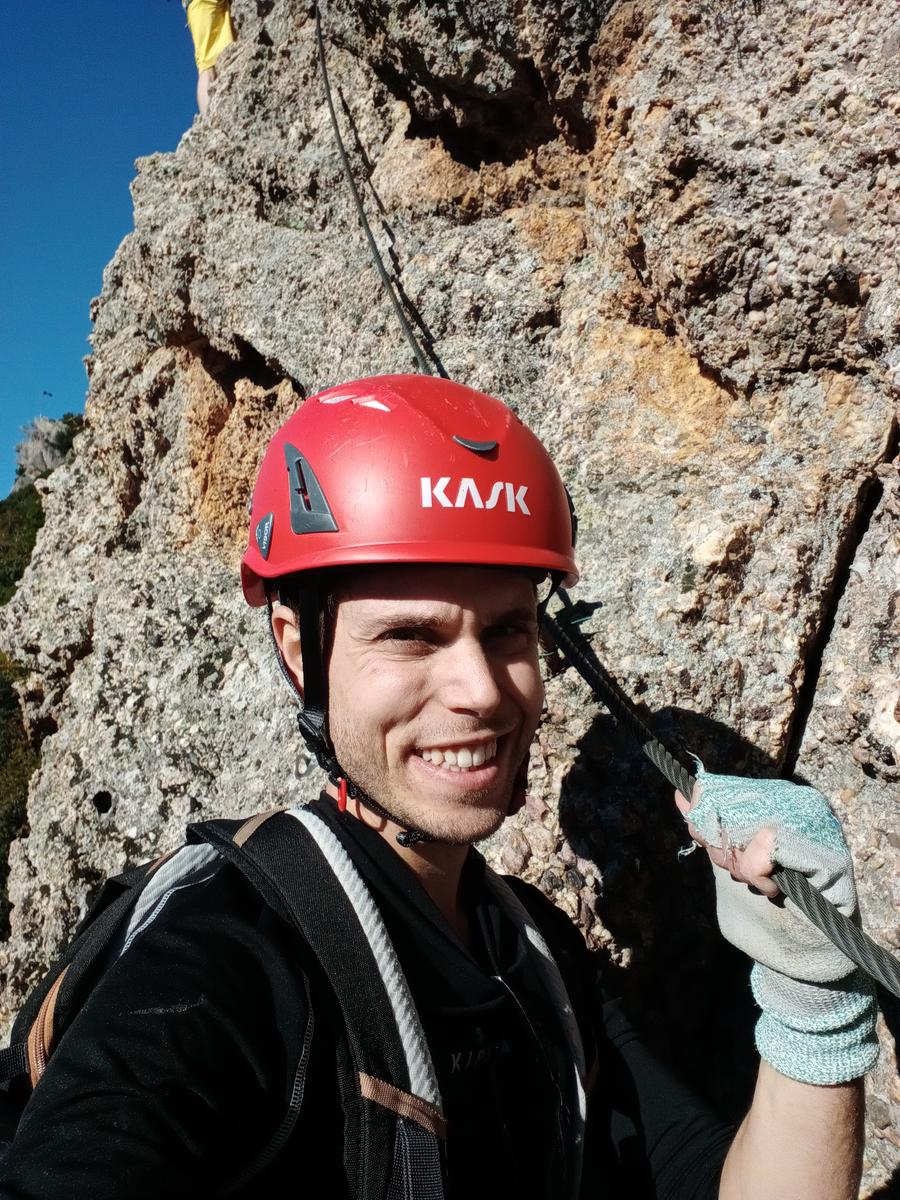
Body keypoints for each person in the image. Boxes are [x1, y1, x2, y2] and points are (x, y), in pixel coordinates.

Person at [0, 375, 878, 1198]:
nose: (485, 690)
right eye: (412, 637)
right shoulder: (222, 958)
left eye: (507, 630)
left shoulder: (537, 961)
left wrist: (814, 1004)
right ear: (298, 647)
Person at [184, 0, 235, 116]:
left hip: (206, 6)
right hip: (201, 5)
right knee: (207, 68)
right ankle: (209, 119)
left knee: (220, 61)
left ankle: (210, 118)